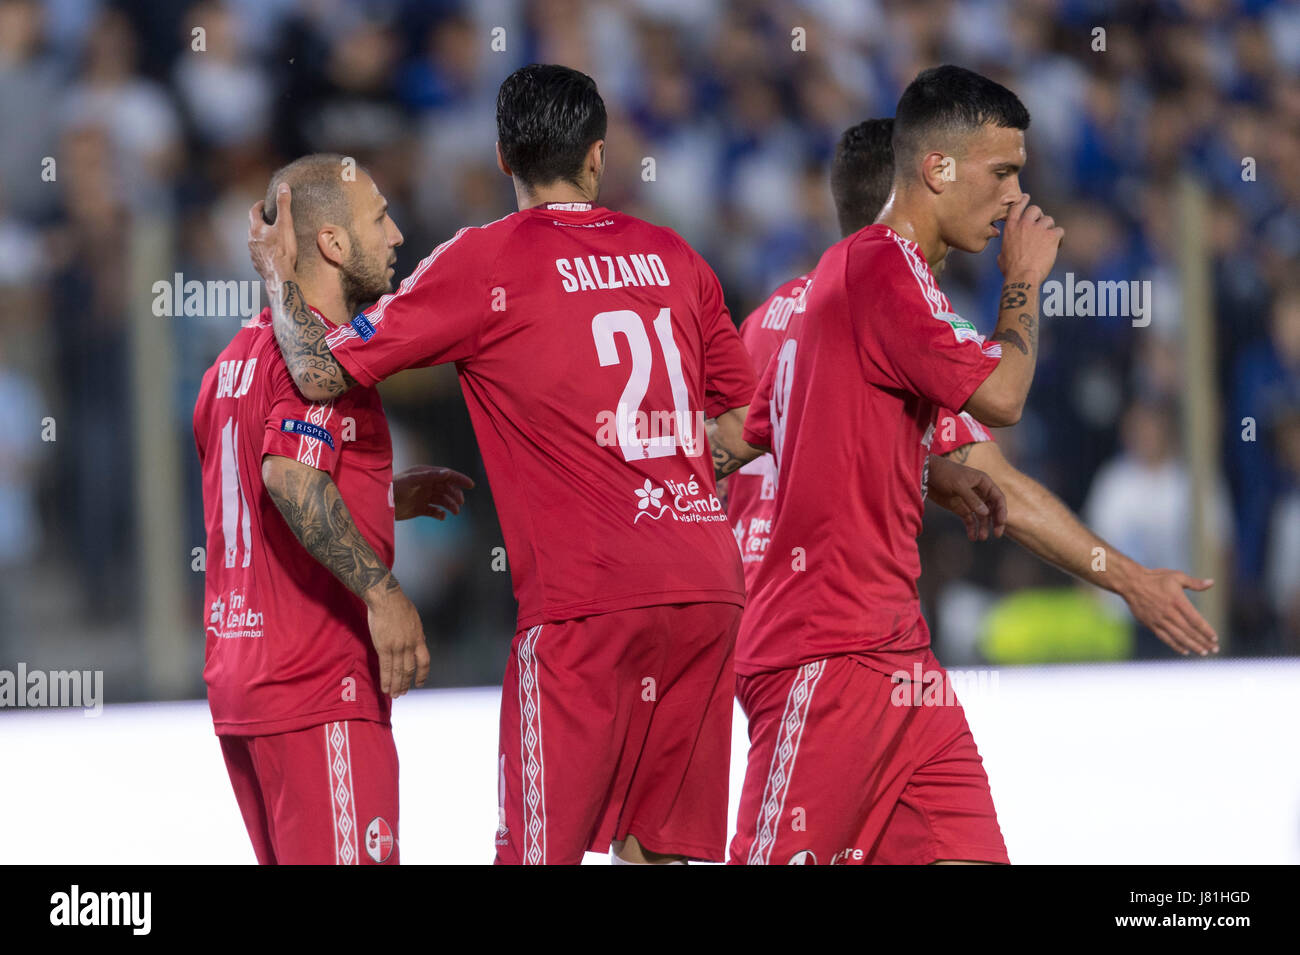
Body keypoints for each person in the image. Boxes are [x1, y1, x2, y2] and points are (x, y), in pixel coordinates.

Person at [247, 64, 762, 865]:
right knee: (659, 851)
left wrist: (282, 273)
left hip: (585, 601)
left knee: (534, 852)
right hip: (705, 582)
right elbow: (747, 420)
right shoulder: (674, 256)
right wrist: (685, 470)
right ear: (598, 156)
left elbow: (319, 372)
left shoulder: (488, 260)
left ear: (500, 157)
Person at [729, 65, 1064, 866]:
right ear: (937, 168)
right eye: (1003, 173)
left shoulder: (856, 278)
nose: (1014, 198)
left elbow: (769, 429)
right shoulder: (881, 268)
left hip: (897, 656)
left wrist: (930, 471)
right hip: (827, 651)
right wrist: (1024, 280)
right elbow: (1005, 396)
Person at [730, 118, 1218, 656]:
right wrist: (1132, 581)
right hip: (823, 630)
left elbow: (756, 447)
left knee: (951, 745)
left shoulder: (766, 318)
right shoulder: (896, 306)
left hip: (781, 610)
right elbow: (998, 451)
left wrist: (925, 467)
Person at [195, 154, 472, 864]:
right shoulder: (318, 361)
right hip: (317, 683)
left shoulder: (232, 359)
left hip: (246, 683)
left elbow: (261, 484)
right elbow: (290, 478)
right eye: (379, 217)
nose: (398, 234)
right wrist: (383, 593)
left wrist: (375, 492)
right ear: (332, 243)